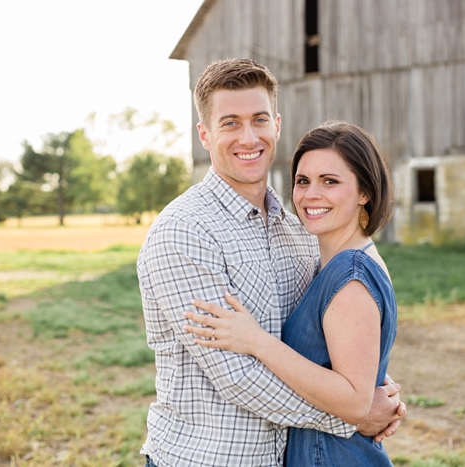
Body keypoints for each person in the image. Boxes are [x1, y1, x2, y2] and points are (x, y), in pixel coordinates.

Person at [137, 58, 405, 467]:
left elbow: (325, 347)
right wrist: (355, 414)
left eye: (259, 119)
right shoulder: (183, 232)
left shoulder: (299, 231)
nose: (249, 137)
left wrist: (371, 384)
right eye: (230, 123)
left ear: (277, 125)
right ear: (205, 134)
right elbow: (237, 377)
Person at [184, 121, 399, 466]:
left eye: (330, 181)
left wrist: (256, 341)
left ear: (365, 192)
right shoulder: (337, 263)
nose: (311, 194)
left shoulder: (351, 274)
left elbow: (357, 402)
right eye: (303, 181)